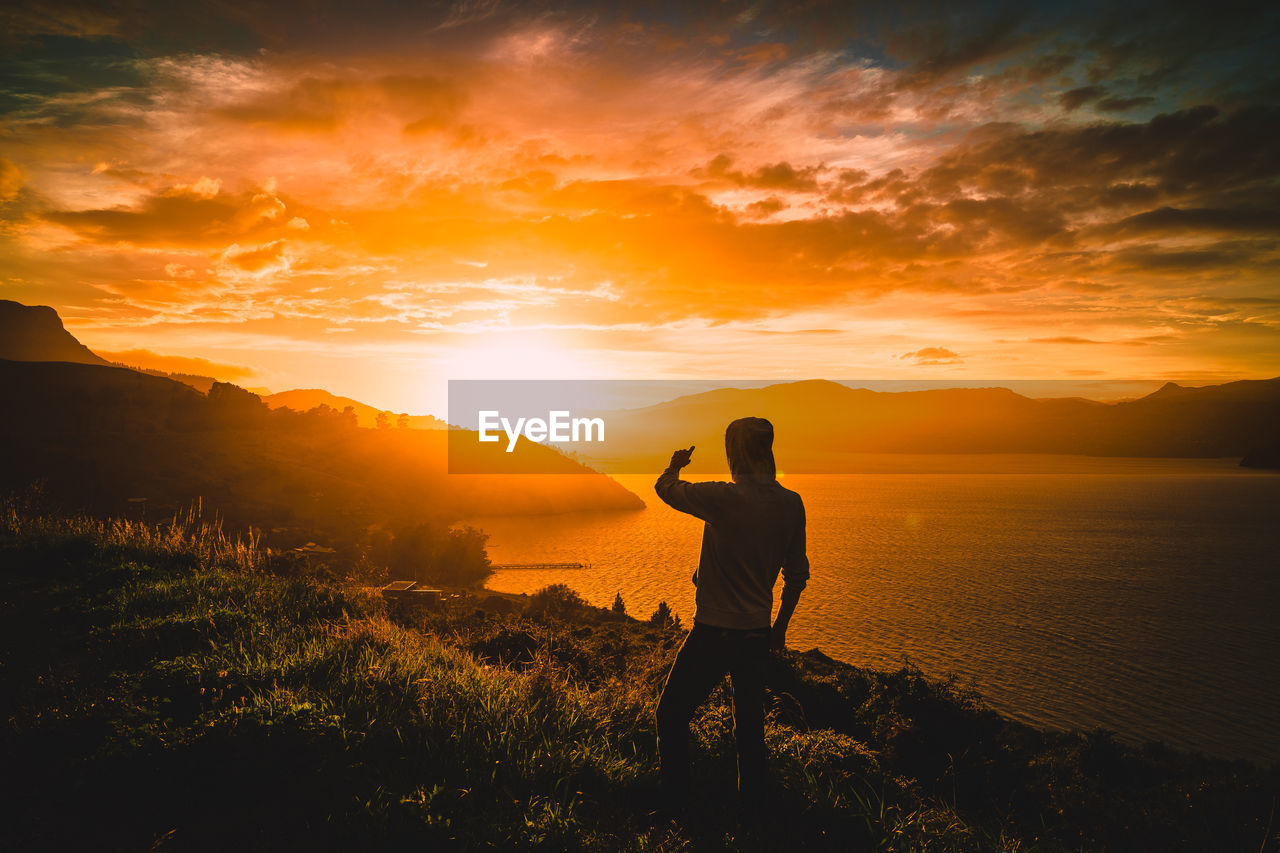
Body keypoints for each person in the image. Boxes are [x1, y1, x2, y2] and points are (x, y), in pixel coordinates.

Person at [653, 416, 809, 815]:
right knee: (750, 730)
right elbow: (796, 576)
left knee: (672, 714)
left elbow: (665, 489)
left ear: (733, 451)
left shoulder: (724, 497)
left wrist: (675, 464)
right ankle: (752, 818)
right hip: (757, 634)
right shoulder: (791, 504)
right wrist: (779, 630)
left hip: (712, 633)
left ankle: (676, 807)